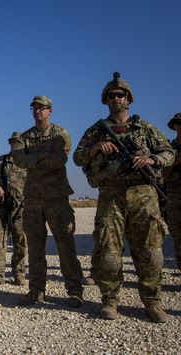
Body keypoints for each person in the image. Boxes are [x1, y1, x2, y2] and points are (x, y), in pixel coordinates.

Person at [73, 73, 174, 322]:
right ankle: (110, 300)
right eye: (111, 95)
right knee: (109, 251)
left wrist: (152, 159)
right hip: (111, 194)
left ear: (128, 99)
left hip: (144, 195)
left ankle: (152, 302)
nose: (116, 98)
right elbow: (77, 157)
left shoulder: (146, 128)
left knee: (150, 252)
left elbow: (168, 152)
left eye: (120, 94)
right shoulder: (97, 131)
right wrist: (96, 148)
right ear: (105, 100)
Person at [11, 95, 84, 308]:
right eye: (35, 108)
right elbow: (18, 159)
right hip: (33, 198)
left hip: (57, 198)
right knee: (35, 247)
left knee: (65, 244)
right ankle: (36, 291)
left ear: (50, 111)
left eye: (42, 108)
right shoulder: (25, 137)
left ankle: (74, 291)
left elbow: (60, 159)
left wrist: (34, 161)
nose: (38, 111)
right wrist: (43, 158)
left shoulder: (60, 133)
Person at [0, 131, 28, 286]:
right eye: (14, 142)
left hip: (22, 208)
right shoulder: (1, 161)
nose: (16, 144)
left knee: (20, 241)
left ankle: (19, 273)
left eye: (19, 142)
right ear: (10, 143)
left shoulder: (27, 162)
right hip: (1, 207)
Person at [164, 113, 181, 271]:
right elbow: (160, 176)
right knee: (178, 235)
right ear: (174, 126)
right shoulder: (169, 149)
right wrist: (173, 163)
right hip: (175, 197)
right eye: (179, 123)